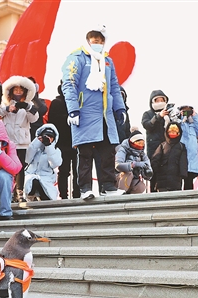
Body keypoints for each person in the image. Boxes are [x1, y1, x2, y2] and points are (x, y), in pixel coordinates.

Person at [61, 25, 126, 199]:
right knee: (85, 152)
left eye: (100, 41)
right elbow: (69, 84)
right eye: (94, 40)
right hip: (85, 112)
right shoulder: (76, 58)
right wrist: (73, 109)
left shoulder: (107, 61)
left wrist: (119, 108)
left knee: (108, 151)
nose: (98, 43)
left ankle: (108, 186)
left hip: (104, 113)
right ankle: (85, 188)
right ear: (88, 41)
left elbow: (114, 86)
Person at [0, 75, 40, 202]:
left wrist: (26, 107)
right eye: (16, 90)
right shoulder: (4, 103)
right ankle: (10, 192)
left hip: (22, 142)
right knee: (8, 167)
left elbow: (34, 118)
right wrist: (7, 109)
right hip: (8, 142)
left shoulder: (29, 104)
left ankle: (20, 192)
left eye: (21, 90)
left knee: (20, 167)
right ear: (11, 91)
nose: (18, 92)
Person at [50, 81, 79, 199]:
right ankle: (63, 195)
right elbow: (52, 123)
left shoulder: (78, 102)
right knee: (63, 170)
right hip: (62, 143)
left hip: (77, 142)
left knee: (78, 170)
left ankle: (77, 194)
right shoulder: (56, 103)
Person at [24, 124, 62, 201]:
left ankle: (42, 197)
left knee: (47, 193)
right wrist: (36, 142)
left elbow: (55, 164)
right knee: (32, 181)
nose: (48, 138)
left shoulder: (56, 150)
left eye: (50, 137)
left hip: (46, 178)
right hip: (32, 175)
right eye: (46, 136)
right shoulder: (36, 148)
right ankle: (33, 196)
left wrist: (49, 146)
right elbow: (27, 159)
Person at [140, 90, 170, 191]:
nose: (160, 102)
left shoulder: (169, 114)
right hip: (153, 149)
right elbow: (147, 125)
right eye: (157, 100)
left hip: (167, 147)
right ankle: (152, 192)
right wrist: (158, 116)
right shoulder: (147, 114)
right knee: (153, 172)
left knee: (166, 172)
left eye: (162, 100)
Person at [177, 105, 198, 190]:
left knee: (189, 182)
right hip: (181, 156)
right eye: (184, 111)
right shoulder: (179, 122)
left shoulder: (193, 124)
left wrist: (195, 115)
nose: (186, 113)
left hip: (192, 158)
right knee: (179, 181)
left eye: (188, 111)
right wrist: (180, 116)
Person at [151, 123, 188, 192]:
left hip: (176, 177)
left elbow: (183, 161)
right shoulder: (163, 145)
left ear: (178, 133)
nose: (172, 134)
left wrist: (183, 173)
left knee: (175, 195)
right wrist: (154, 169)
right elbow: (156, 158)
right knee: (162, 195)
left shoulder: (181, 146)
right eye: (170, 132)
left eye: (174, 132)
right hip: (162, 177)